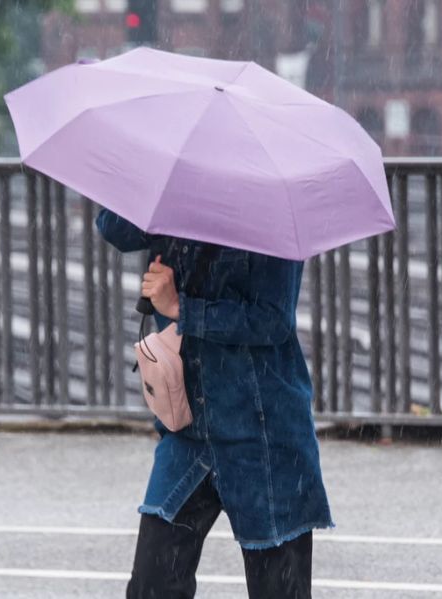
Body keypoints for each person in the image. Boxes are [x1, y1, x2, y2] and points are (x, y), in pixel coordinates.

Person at [95, 208, 334, 599]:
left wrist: (182, 310)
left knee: (278, 590)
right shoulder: (172, 188)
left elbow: (273, 320)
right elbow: (115, 229)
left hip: (263, 434)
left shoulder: (269, 206)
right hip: (188, 427)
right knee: (152, 585)